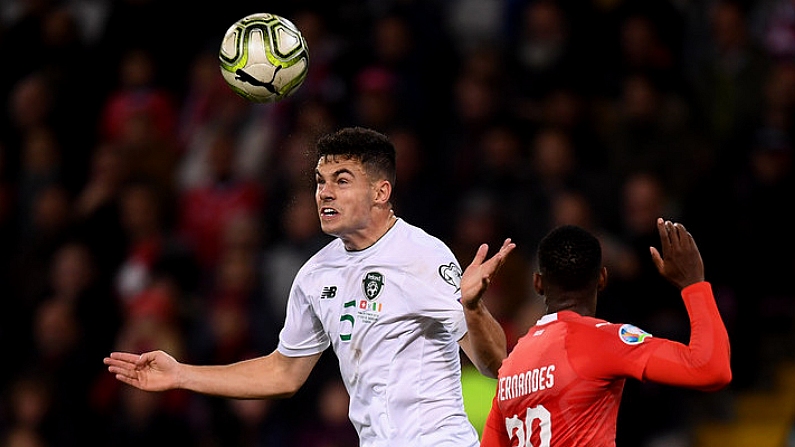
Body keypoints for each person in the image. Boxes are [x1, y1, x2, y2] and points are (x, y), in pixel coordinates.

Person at [104, 126, 515, 447]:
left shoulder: (422, 256)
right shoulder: (316, 275)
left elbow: (495, 366)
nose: (323, 193)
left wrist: (473, 309)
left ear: (380, 192)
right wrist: (182, 374)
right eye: (319, 181)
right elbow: (284, 373)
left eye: (341, 180)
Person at [480, 218, 732, 446]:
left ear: (538, 283)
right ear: (602, 278)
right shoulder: (604, 340)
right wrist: (694, 285)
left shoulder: (511, 366)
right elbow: (710, 369)